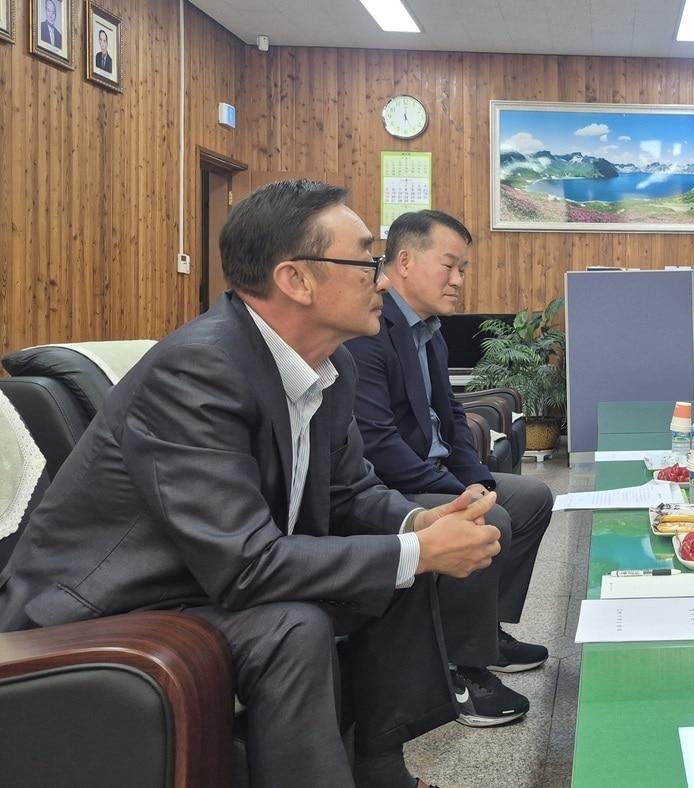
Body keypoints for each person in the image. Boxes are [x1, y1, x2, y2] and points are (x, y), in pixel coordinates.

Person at [0, 179, 502, 788]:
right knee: (294, 623)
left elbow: (349, 492)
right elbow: (244, 565)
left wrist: (417, 524)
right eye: (366, 261)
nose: (384, 279)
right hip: (113, 604)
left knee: (396, 573)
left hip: (202, 575)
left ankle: (378, 769)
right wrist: (418, 550)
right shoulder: (199, 369)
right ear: (296, 280)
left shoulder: (330, 362)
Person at [345, 209, 554, 728]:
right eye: (450, 266)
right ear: (407, 261)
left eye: (463, 269)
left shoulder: (430, 332)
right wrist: (461, 495)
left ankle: (486, 632)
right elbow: (378, 445)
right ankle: (461, 668)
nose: (459, 280)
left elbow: (453, 423)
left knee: (529, 498)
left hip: (431, 474)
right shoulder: (368, 330)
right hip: (391, 487)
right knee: (490, 517)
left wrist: (477, 480)